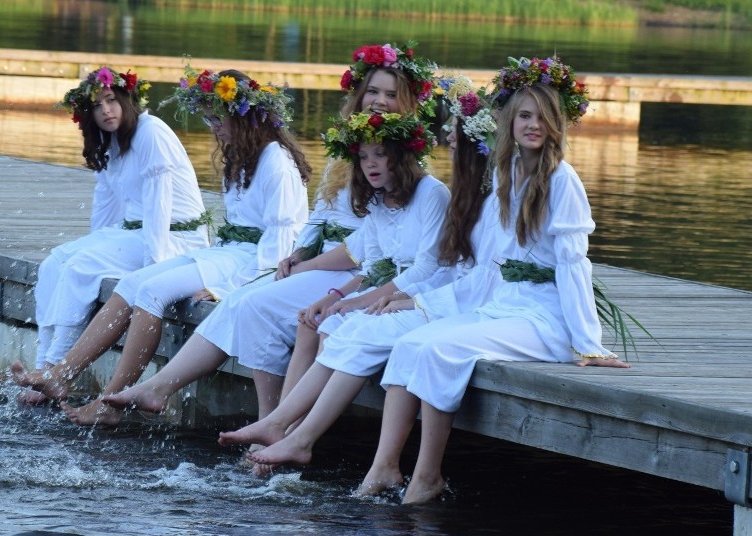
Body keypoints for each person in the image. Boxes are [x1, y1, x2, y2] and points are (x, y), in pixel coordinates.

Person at [73, 42, 437, 430]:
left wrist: (305, 266)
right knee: (245, 303)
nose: (378, 101)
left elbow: (375, 246)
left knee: (251, 304)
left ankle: (264, 420)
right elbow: (319, 213)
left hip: (356, 269)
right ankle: (218, 407)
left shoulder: (399, 159)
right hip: (326, 260)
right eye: (373, 92)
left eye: (389, 94)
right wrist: (298, 253)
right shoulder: (351, 145)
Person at [364, 57, 631, 505]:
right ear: (509, 122)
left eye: (543, 117)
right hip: (506, 303)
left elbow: (572, 265)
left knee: (439, 348)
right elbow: (490, 269)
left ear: (556, 125)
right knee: (412, 343)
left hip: (545, 317)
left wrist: (588, 343)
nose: (533, 125)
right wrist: (422, 304)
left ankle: (427, 475)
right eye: (525, 115)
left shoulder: (562, 181)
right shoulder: (505, 176)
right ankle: (385, 467)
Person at [216, 77, 500, 468]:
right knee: (314, 321)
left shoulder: (431, 193)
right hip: (391, 290)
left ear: (399, 157)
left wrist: (358, 302)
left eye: (379, 155)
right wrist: (335, 297)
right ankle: (282, 428)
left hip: (424, 293)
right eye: (363, 157)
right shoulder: (381, 200)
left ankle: (292, 432)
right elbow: (371, 262)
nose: (369, 165)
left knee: (342, 327)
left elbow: (426, 268)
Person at [12, 68, 311, 421]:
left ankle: (110, 403)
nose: (213, 127)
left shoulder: (275, 159)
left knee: (152, 292)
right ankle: (62, 372)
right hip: (229, 251)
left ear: (242, 118)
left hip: (249, 262)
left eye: (218, 120)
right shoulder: (241, 155)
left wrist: (221, 288)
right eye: (210, 119)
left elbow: (281, 240)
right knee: (132, 283)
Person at [16, 66, 210, 404]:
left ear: (126, 100)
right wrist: (95, 244)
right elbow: (105, 209)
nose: (106, 110)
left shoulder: (151, 133)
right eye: (97, 105)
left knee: (81, 266)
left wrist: (154, 267)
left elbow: (159, 207)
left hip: (174, 238)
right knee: (55, 262)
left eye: (111, 100)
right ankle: (43, 367)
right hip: (132, 233)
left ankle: (59, 370)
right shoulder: (110, 143)